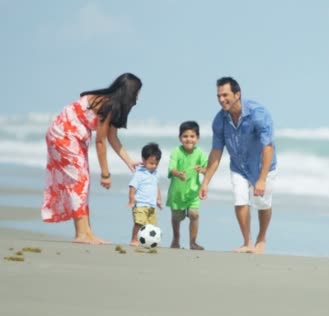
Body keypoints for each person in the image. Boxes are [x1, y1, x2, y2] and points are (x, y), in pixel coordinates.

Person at [42, 73, 142, 245]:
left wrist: (129, 161)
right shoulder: (106, 104)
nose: (138, 96)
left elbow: (112, 138)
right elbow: (101, 141)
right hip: (64, 135)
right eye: (137, 92)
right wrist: (105, 173)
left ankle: (87, 232)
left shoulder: (111, 105)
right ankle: (81, 234)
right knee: (79, 182)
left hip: (72, 136)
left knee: (82, 181)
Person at [199, 77, 278, 254]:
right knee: (240, 199)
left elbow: (268, 146)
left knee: (262, 203)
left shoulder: (258, 113)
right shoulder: (219, 120)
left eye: (225, 95)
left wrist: (262, 179)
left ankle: (261, 239)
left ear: (237, 94)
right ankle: (247, 242)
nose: (221, 100)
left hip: (262, 165)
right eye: (218, 96)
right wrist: (205, 182)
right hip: (238, 166)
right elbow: (216, 152)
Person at [166, 121, 208, 250]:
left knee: (194, 214)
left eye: (192, 136)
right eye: (185, 136)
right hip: (177, 193)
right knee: (176, 218)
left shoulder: (200, 153)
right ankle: (176, 238)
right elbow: (171, 168)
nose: (188, 139)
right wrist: (178, 174)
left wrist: (202, 169)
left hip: (193, 192)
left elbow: (208, 168)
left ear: (197, 138)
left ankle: (193, 242)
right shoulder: (176, 152)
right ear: (180, 138)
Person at [127, 143, 162, 246]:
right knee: (139, 223)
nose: (154, 166)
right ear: (143, 160)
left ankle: (149, 242)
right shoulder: (139, 173)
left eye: (156, 164)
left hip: (152, 205)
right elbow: (132, 186)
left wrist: (159, 199)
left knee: (150, 226)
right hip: (140, 204)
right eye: (151, 163)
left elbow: (157, 187)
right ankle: (134, 239)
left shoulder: (155, 174)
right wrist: (131, 199)